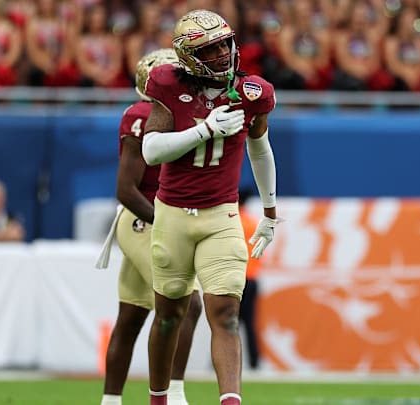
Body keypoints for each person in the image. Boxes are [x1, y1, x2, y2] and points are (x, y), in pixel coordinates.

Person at [140, 9, 279, 405]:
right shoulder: (167, 84)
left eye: (224, 43)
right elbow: (151, 151)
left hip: (221, 214)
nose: (221, 53)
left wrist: (270, 212)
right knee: (169, 315)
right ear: (187, 56)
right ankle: (159, 398)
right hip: (173, 213)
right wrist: (204, 129)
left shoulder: (254, 92)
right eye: (210, 48)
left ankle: (231, 400)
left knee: (225, 314)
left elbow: (261, 150)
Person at [97, 48, 203, 405]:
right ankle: (174, 394)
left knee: (131, 315)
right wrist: (169, 220)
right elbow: (126, 190)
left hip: (160, 217)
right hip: (143, 217)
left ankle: (110, 401)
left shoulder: (182, 114)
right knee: (186, 303)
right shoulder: (142, 115)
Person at [237, 187, 262, 370]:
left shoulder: (231, 222)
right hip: (252, 278)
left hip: (235, 277)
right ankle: (254, 362)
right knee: (250, 323)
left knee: (226, 323)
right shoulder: (252, 223)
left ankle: (219, 362)